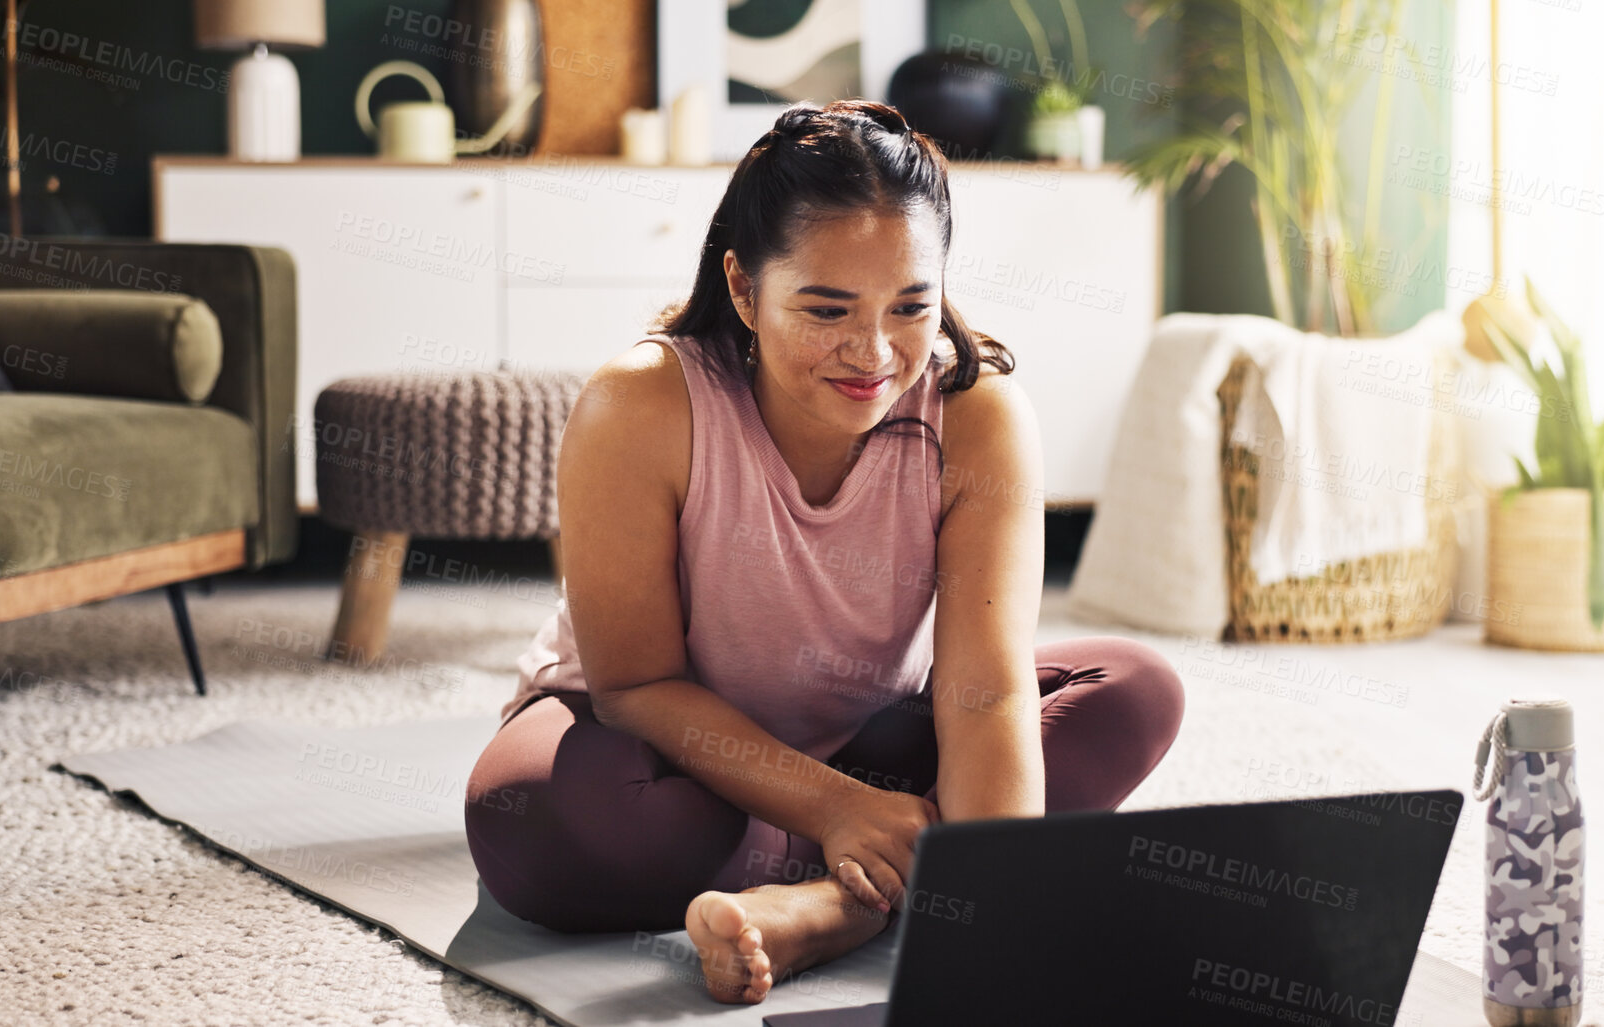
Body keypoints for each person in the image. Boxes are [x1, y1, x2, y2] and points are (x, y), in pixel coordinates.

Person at [462, 98, 1185, 1006]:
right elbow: (633, 685)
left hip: (874, 740)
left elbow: (985, 692)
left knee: (1134, 690)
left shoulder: (981, 419)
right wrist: (835, 808)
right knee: (533, 816)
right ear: (741, 287)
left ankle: (836, 905)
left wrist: (998, 902)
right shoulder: (637, 405)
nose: (873, 352)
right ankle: (890, 866)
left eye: (911, 306)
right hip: (662, 746)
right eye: (826, 308)